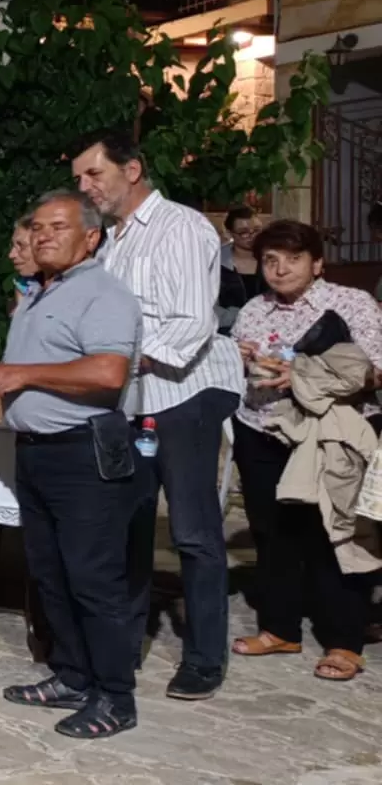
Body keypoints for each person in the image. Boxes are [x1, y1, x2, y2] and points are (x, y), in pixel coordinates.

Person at [72, 129, 244, 701]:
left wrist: (115, 360)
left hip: (185, 391)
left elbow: (192, 322)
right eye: (79, 178)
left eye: (94, 174)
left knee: (193, 531)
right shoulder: (109, 241)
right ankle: (122, 649)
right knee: (130, 528)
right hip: (132, 398)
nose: (85, 186)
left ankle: (205, 657)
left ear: (133, 170)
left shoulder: (182, 227)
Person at [0, 191, 145, 739]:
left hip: (84, 453)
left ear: (91, 238)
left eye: (58, 226)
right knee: (50, 575)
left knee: (94, 579)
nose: (43, 235)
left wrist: (22, 374)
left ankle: (115, 697)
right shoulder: (41, 292)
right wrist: (3, 377)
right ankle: (73, 676)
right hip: (38, 452)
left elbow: (108, 373)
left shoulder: (104, 293)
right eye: (38, 227)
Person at [226, 220, 382, 682]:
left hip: (329, 434)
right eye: (270, 260)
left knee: (337, 532)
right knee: (272, 533)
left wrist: (305, 376)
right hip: (262, 430)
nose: (280, 269)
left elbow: (376, 370)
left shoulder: (351, 303)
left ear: (317, 263)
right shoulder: (254, 309)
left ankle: (344, 640)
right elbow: (240, 368)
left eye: (293, 259)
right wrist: (237, 357)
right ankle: (280, 628)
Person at [217, 207, 266, 335]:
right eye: (244, 232)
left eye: (257, 230)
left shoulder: (273, 259)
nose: (252, 236)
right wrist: (243, 317)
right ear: (229, 233)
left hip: (271, 329)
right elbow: (208, 306)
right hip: (227, 330)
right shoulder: (215, 262)